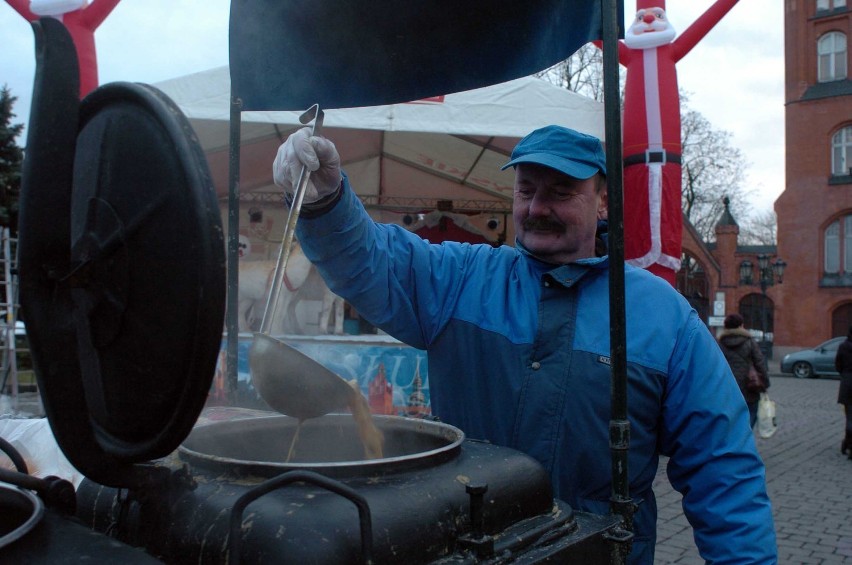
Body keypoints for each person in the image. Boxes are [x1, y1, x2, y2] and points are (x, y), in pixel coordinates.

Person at [272, 124, 777, 564]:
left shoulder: (657, 313)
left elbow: (721, 465)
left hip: (598, 557)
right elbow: (374, 261)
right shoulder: (463, 277)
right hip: (462, 548)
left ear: (602, 202)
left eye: (561, 191)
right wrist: (326, 202)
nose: (537, 207)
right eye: (527, 189)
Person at [717, 313, 769, 428]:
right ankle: (746, 436)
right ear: (741, 325)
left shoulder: (720, 343)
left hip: (727, 387)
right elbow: (760, 362)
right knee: (751, 413)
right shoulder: (749, 341)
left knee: (730, 415)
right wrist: (765, 382)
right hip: (749, 386)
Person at [835, 325, 852, 460]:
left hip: (847, 382)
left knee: (849, 416)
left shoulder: (843, 346)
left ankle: (847, 443)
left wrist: (845, 374)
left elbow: (838, 364)